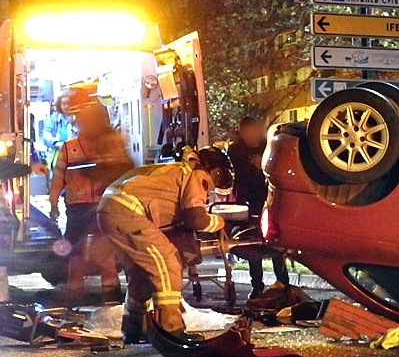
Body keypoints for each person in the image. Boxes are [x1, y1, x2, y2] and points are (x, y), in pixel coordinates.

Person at [97, 147, 232, 342]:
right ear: (217, 171)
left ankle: (134, 326)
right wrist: (220, 222)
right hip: (128, 212)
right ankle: (170, 327)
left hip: (111, 209)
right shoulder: (196, 174)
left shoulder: (176, 170)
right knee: (168, 265)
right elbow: (196, 218)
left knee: (142, 273)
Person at [49, 103, 133, 299]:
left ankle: (110, 294)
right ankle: (75, 290)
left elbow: (121, 171)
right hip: (77, 206)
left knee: (105, 250)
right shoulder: (69, 148)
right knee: (75, 249)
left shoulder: (108, 144)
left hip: (103, 205)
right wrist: (54, 203)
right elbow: (58, 176)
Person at [229, 116, 289, 299]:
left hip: (269, 199)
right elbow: (239, 173)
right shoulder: (236, 150)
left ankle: (284, 285)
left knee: (276, 244)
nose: (251, 136)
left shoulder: (268, 145)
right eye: (247, 133)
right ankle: (257, 287)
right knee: (252, 244)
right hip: (247, 202)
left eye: (253, 132)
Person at [41, 93, 75, 170]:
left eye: (69, 103)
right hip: (57, 160)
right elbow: (46, 135)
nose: (66, 106)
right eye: (64, 103)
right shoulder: (53, 118)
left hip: (75, 159)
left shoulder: (79, 119)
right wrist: (56, 143)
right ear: (59, 105)